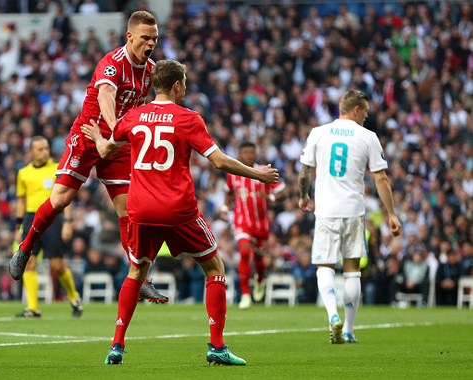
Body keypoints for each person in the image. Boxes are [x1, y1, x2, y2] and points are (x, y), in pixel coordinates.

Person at [80, 59, 279, 365]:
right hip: (177, 209)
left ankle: (116, 346)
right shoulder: (188, 119)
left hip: (141, 209)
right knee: (215, 269)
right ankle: (216, 347)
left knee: (135, 272)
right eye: (184, 83)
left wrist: (95, 136)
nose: (185, 87)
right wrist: (258, 174)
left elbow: (106, 151)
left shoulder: (133, 116)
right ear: (176, 85)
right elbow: (220, 162)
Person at [9, 10, 167, 303]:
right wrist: (117, 128)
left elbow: (145, 105)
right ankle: (26, 247)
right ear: (130, 36)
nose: (151, 44)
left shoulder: (151, 70)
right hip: (89, 136)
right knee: (60, 200)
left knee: (129, 212)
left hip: (118, 146)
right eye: (146, 38)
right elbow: (106, 95)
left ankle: (140, 274)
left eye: (155, 39)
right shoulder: (111, 63)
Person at [298, 90, 401, 344]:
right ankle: (349, 330)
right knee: (352, 271)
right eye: (365, 111)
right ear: (356, 109)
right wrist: (391, 214)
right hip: (353, 211)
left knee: (325, 265)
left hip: (325, 211)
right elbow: (381, 178)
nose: (366, 116)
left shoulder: (318, 133)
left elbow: (304, 173)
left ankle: (333, 315)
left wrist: (303, 196)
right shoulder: (368, 137)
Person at [14, 136, 82, 317]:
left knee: (57, 265)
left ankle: (74, 297)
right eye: (40, 149)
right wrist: (18, 226)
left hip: (53, 219)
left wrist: (67, 222)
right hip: (30, 219)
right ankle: (33, 308)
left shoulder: (57, 168)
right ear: (30, 152)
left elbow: (66, 196)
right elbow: (21, 201)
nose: (44, 152)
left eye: (46, 148)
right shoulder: (23, 173)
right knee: (29, 262)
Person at [223, 141, 285, 309]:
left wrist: (271, 198)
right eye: (246, 153)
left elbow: (283, 192)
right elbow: (228, 192)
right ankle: (245, 294)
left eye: (252, 152)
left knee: (258, 258)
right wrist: (224, 207)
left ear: (256, 154)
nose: (249, 156)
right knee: (244, 252)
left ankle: (259, 280)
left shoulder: (264, 171)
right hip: (242, 222)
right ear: (240, 155)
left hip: (261, 224)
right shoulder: (233, 173)